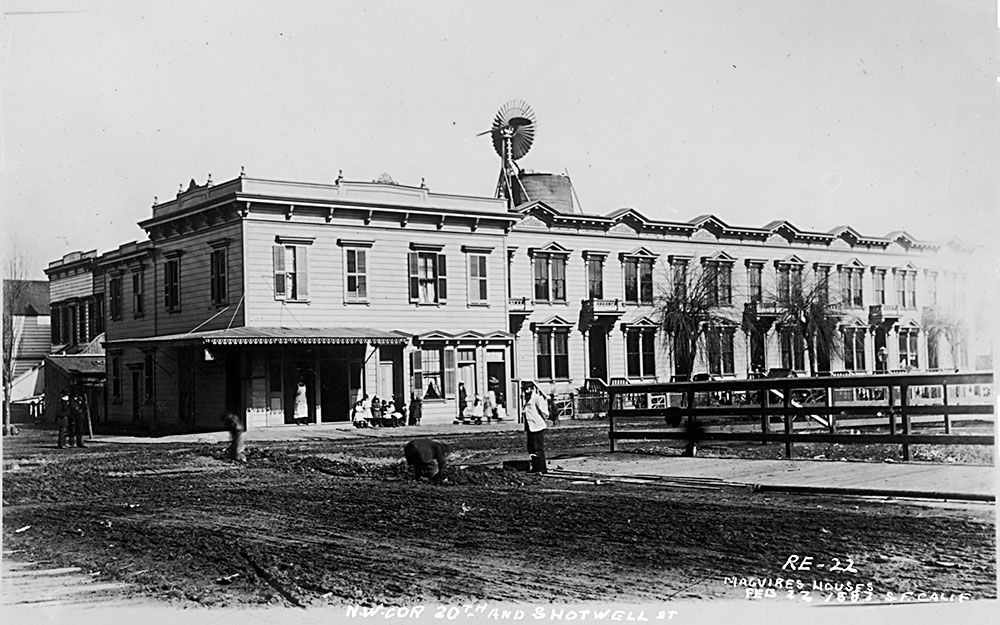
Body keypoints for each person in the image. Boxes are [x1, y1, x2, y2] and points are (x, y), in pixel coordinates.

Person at [521, 382, 549, 474]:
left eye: (527, 389)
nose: (525, 391)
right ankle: (535, 467)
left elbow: (544, 412)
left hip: (537, 426)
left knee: (538, 448)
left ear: (532, 389)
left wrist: (543, 420)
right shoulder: (525, 399)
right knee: (531, 448)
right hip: (530, 426)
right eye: (524, 389)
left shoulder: (537, 398)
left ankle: (542, 468)